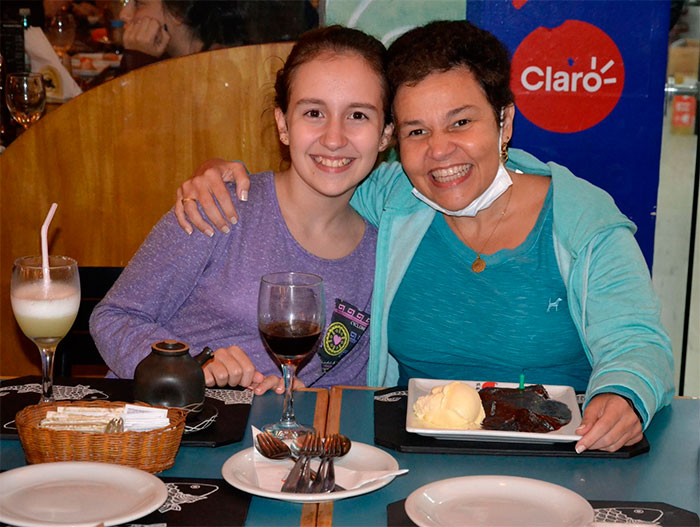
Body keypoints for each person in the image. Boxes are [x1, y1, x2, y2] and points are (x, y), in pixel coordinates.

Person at [175, 20, 674, 453]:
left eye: (461, 122)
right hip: (416, 458)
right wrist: (220, 173)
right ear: (395, 141)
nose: (440, 151)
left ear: (505, 120)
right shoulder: (397, 199)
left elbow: (637, 342)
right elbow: (322, 169)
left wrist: (623, 393)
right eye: (417, 131)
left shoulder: (580, 217)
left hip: (556, 456)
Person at [89, 25, 394, 395]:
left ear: (385, 134)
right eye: (314, 112)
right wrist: (191, 364)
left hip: (270, 447)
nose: (334, 138)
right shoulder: (219, 206)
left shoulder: (381, 258)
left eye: (358, 115)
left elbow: (344, 393)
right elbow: (114, 318)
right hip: (167, 429)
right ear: (283, 124)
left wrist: (303, 399)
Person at [118, 0, 247, 60]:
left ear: (177, 13)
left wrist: (140, 57)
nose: (123, 14)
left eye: (139, 4)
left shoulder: (218, 64)